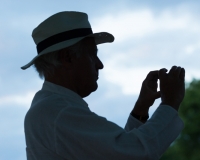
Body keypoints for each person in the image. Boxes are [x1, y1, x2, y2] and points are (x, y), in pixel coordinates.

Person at [21, 11, 185, 160]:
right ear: (67, 58)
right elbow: (134, 154)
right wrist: (170, 102)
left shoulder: (51, 108)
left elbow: (115, 152)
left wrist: (140, 110)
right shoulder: (58, 111)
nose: (100, 65)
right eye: (92, 55)